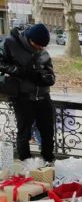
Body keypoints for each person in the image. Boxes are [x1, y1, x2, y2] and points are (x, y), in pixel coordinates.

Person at [0, 23, 55, 162]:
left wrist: (46, 78)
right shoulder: (10, 44)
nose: (41, 48)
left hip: (43, 96)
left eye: (43, 46)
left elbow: (50, 72)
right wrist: (19, 71)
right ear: (30, 40)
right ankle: (26, 163)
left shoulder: (42, 51)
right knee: (24, 133)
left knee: (47, 131)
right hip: (22, 97)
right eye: (38, 45)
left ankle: (48, 161)